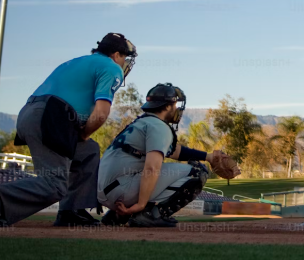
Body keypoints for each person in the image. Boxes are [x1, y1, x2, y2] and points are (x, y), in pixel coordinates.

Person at [0, 33, 137, 227]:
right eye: (124, 57)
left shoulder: (77, 61)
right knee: (54, 185)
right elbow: (100, 113)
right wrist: (83, 133)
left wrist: (79, 137)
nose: (124, 63)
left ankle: (71, 211)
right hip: (52, 116)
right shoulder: (111, 67)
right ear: (116, 54)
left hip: (32, 113)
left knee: (88, 150)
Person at [97, 83, 233, 228]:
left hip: (107, 191)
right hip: (121, 190)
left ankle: (116, 215)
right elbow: (151, 168)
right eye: (175, 104)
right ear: (168, 106)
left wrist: (208, 156)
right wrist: (141, 204)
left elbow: (174, 151)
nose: (176, 109)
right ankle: (150, 215)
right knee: (197, 172)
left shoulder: (142, 123)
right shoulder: (159, 127)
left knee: (157, 171)